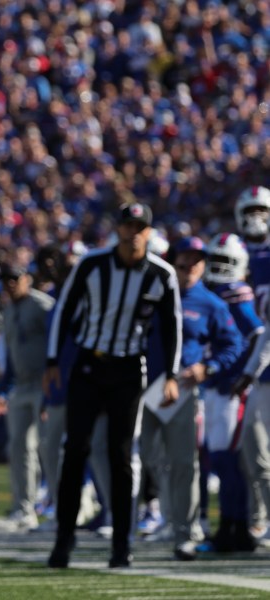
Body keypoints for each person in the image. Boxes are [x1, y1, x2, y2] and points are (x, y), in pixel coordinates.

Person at [45, 202, 182, 569]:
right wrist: (53, 360)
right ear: (118, 229)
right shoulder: (92, 264)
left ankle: (122, 544)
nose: (133, 232)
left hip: (128, 370)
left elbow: (171, 326)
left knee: (121, 457)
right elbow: (65, 309)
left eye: (140, 226)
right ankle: (64, 539)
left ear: (149, 232)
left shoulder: (161, 273)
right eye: (128, 225)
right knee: (74, 452)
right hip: (90, 364)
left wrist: (170, 374)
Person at [139, 236, 242, 560]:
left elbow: (233, 344)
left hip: (181, 390)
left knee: (184, 462)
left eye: (197, 261)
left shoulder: (210, 303)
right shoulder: (152, 293)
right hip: (143, 385)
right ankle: (159, 519)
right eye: (184, 262)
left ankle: (186, 531)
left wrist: (208, 367)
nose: (190, 268)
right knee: (145, 458)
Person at [199, 233, 261, 553]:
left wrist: (243, 375)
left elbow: (257, 334)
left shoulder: (237, 294)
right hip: (215, 387)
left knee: (229, 462)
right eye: (216, 260)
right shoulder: (215, 292)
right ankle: (230, 527)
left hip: (230, 389)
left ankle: (236, 527)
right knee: (221, 461)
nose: (220, 267)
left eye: (226, 261)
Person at [0, 263, 54, 530]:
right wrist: (4, 390)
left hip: (44, 383)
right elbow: (9, 355)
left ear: (27, 279)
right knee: (18, 448)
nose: (10, 284)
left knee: (49, 447)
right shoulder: (7, 311)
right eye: (6, 279)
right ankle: (23, 508)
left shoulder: (43, 305)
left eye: (15, 278)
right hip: (21, 384)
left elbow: (56, 343)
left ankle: (58, 506)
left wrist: (53, 383)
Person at [231, 185, 270, 544]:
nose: (256, 217)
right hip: (259, 370)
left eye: (263, 209)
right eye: (251, 209)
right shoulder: (239, 255)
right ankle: (260, 520)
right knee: (253, 453)